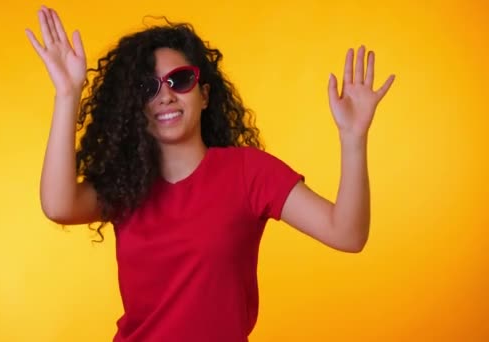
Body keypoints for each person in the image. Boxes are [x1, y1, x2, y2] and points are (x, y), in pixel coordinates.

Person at [25, 5, 395, 342]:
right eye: (148, 88)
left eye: (179, 80)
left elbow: (347, 234)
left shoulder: (249, 173)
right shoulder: (128, 185)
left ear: (203, 94)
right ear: (133, 108)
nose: (165, 96)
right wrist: (68, 93)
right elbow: (58, 206)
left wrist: (353, 138)